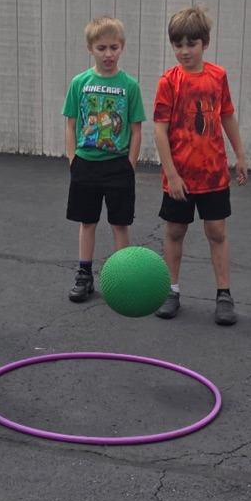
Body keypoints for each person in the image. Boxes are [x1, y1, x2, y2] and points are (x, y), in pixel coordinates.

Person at [153, 4, 248, 326]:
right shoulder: (169, 81)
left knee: (217, 231)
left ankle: (224, 295)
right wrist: (172, 174)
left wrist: (240, 155)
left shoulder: (217, 77)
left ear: (205, 43)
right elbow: (160, 129)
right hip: (180, 175)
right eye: (178, 44)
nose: (184, 51)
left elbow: (227, 116)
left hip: (214, 173)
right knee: (175, 231)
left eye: (191, 44)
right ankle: (171, 290)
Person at [62, 16, 145, 302]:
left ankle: (122, 278)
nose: (107, 54)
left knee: (120, 223)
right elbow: (71, 123)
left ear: (122, 47)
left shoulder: (129, 86)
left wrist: (129, 165)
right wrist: (73, 159)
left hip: (117, 166)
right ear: (90, 48)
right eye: (101, 48)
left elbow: (136, 129)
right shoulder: (80, 83)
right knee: (87, 222)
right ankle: (84, 275)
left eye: (113, 47)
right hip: (86, 164)